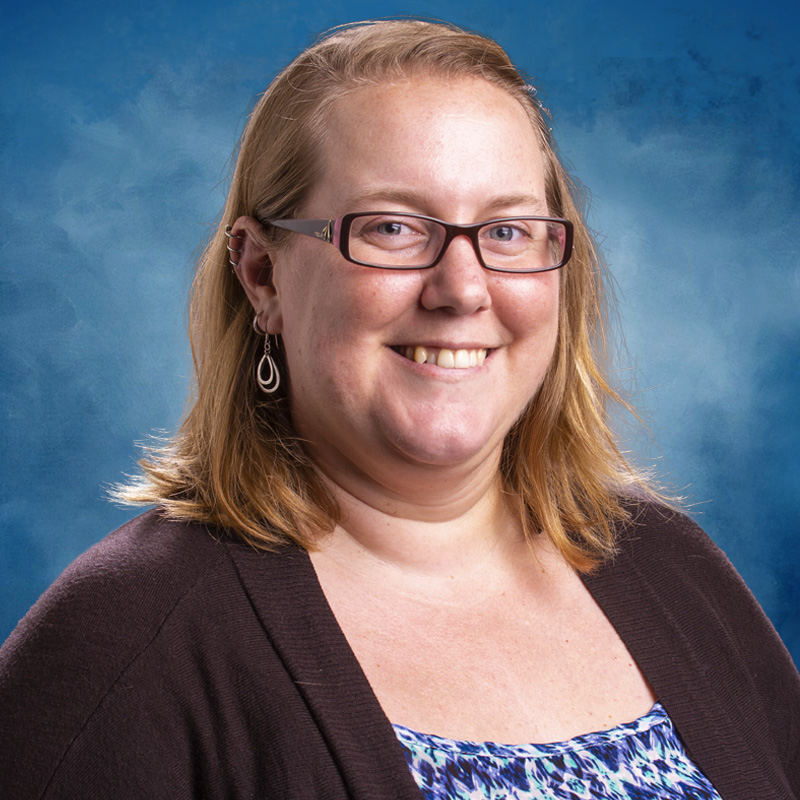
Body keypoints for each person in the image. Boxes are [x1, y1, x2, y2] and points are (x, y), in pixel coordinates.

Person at [1, 19, 798, 800]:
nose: (462, 289)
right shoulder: (123, 638)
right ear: (261, 275)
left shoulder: (669, 565)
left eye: (509, 230)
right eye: (391, 227)